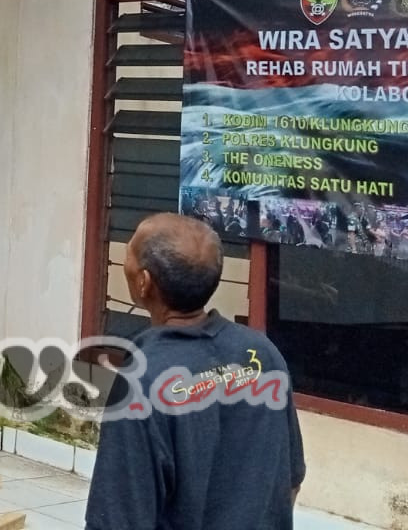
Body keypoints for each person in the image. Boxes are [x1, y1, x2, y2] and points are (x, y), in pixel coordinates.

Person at [88, 213, 305, 530]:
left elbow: (117, 520)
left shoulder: (139, 382)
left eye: (129, 251)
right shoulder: (262, 355)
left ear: (143, 282)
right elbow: (291, 482)